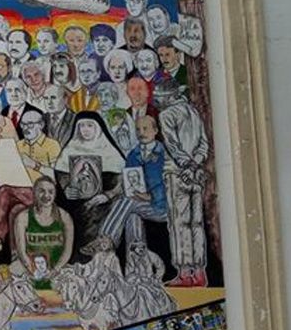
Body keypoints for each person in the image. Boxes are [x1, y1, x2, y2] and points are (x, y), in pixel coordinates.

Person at [154, 79, 210, 286]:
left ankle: (185, 272)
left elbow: (172, 145)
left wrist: (186, 165)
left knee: (179, 223)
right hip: (196, 172)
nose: (157, 100)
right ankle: (200, 272)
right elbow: (203, 143)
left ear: (170, 96)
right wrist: (195, 164)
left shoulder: (166, 114)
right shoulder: (193, 111)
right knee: (196, 223)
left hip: (177, 172)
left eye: (160, 96)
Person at [92, 115, 169, 249]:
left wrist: (151, 196)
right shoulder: (133, 154)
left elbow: (172, 183)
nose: (141, 133)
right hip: (141, 205)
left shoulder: (165, 153)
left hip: (164, 207)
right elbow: (127, 181)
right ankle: (137, 254)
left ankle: (104, 240)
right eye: (138, 129)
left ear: (156, 130)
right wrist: (110, 195)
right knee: (131, 214)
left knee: (127, 202)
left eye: (145, 128)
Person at [11, 176, 75, 285]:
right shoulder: (23, 217)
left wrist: (54, 271)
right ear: (34, 193)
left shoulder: (65, 217)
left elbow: (67, 251)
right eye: (41, 191)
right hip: (30, 269)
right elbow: (22, 252)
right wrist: (33, 270)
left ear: (55, 194)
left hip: (58, 269)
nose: (46, 195)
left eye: (50, 192)